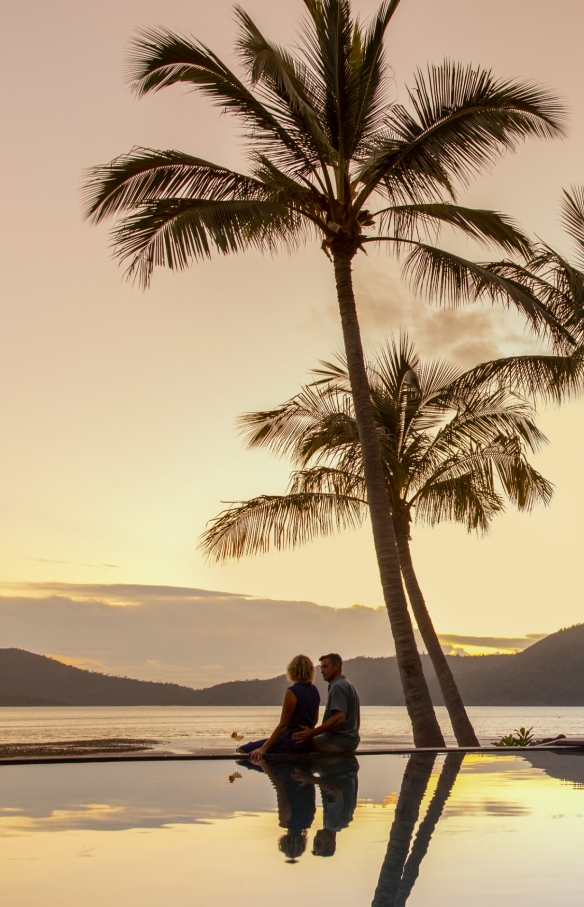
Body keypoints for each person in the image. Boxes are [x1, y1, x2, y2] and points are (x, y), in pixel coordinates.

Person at [237, 654, 320, 762]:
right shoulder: (314, 691)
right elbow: (315, 720)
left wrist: (263, 749)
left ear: (292, 670)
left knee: (243, 750)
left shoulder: (292, 692)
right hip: (306, 743)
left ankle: (273, 774)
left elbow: (283, 725)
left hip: (290, 742)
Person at [292, 653, 360, 753]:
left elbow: (340, 717)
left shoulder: (338, 686)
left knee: (294, 744)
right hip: (349, 742)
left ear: (336, 667)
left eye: (325, 667)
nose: (322, 671)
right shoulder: (347, 684)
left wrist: (312, 733)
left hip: (338, 742)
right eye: (321, 667)